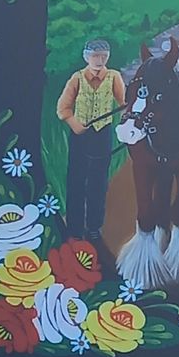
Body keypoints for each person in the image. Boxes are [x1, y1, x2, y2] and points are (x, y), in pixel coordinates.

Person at [56, 39, 125, 242]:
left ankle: (94, 227)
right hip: (80, 135)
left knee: (98, 182)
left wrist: (126, 123)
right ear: (86, 57)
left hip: (103, 134)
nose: (100, 60)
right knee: (76, 180)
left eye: (104, 56)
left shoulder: (114, 77)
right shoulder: (77, 79)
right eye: (95, 56)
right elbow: (63, 108)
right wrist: (75, 124)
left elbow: (124, 103)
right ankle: (75, 228)